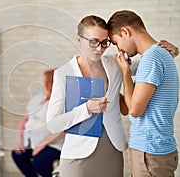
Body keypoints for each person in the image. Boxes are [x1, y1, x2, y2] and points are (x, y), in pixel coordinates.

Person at [46, 15, 178, 177]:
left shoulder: (114, 64)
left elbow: (149, 64)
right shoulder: (63, 74)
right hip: (77, 153)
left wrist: (171, 52)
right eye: (93, 41)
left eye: (104, 43)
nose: (99, 49)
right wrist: (86, 109)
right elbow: (53, 124)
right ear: (79, 39)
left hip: (112, 147)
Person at [108, 10, 179, 177]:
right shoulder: (159, 54)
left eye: (116, 42)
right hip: (153, 149)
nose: (119, 49)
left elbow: (134, 110)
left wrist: (125, 73)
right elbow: (126, 107)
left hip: (150, 152)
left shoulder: (152, 58)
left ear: (125, 32)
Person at [12, 69, 64, 177]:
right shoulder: (38, 98)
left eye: (44, 81)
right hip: (32, 140)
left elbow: (62, 130)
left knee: (40, 161)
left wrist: (41, 145)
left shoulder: (60, 102)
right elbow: (24, 119)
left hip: (53, 144)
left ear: (50, 83)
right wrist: (19, 140)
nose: (42, 83)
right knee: (18, 154)